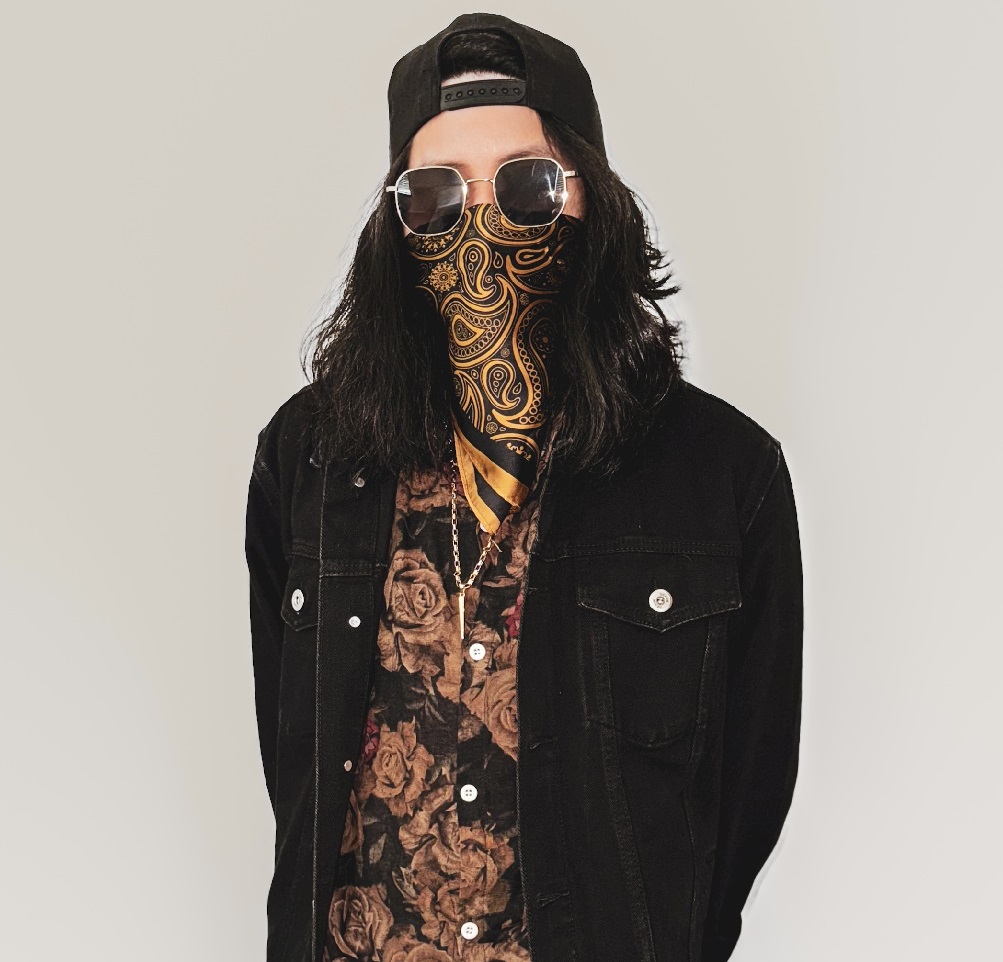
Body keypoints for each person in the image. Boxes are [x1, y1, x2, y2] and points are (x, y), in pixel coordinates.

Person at [245, 13, 803, 962]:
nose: (481, 226)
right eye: (436, 193)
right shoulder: (308, 457)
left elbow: (744, 802)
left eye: (527, 185)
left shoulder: (723, 474)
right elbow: (296, 765)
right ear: (397, 225)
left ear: (593, 200)